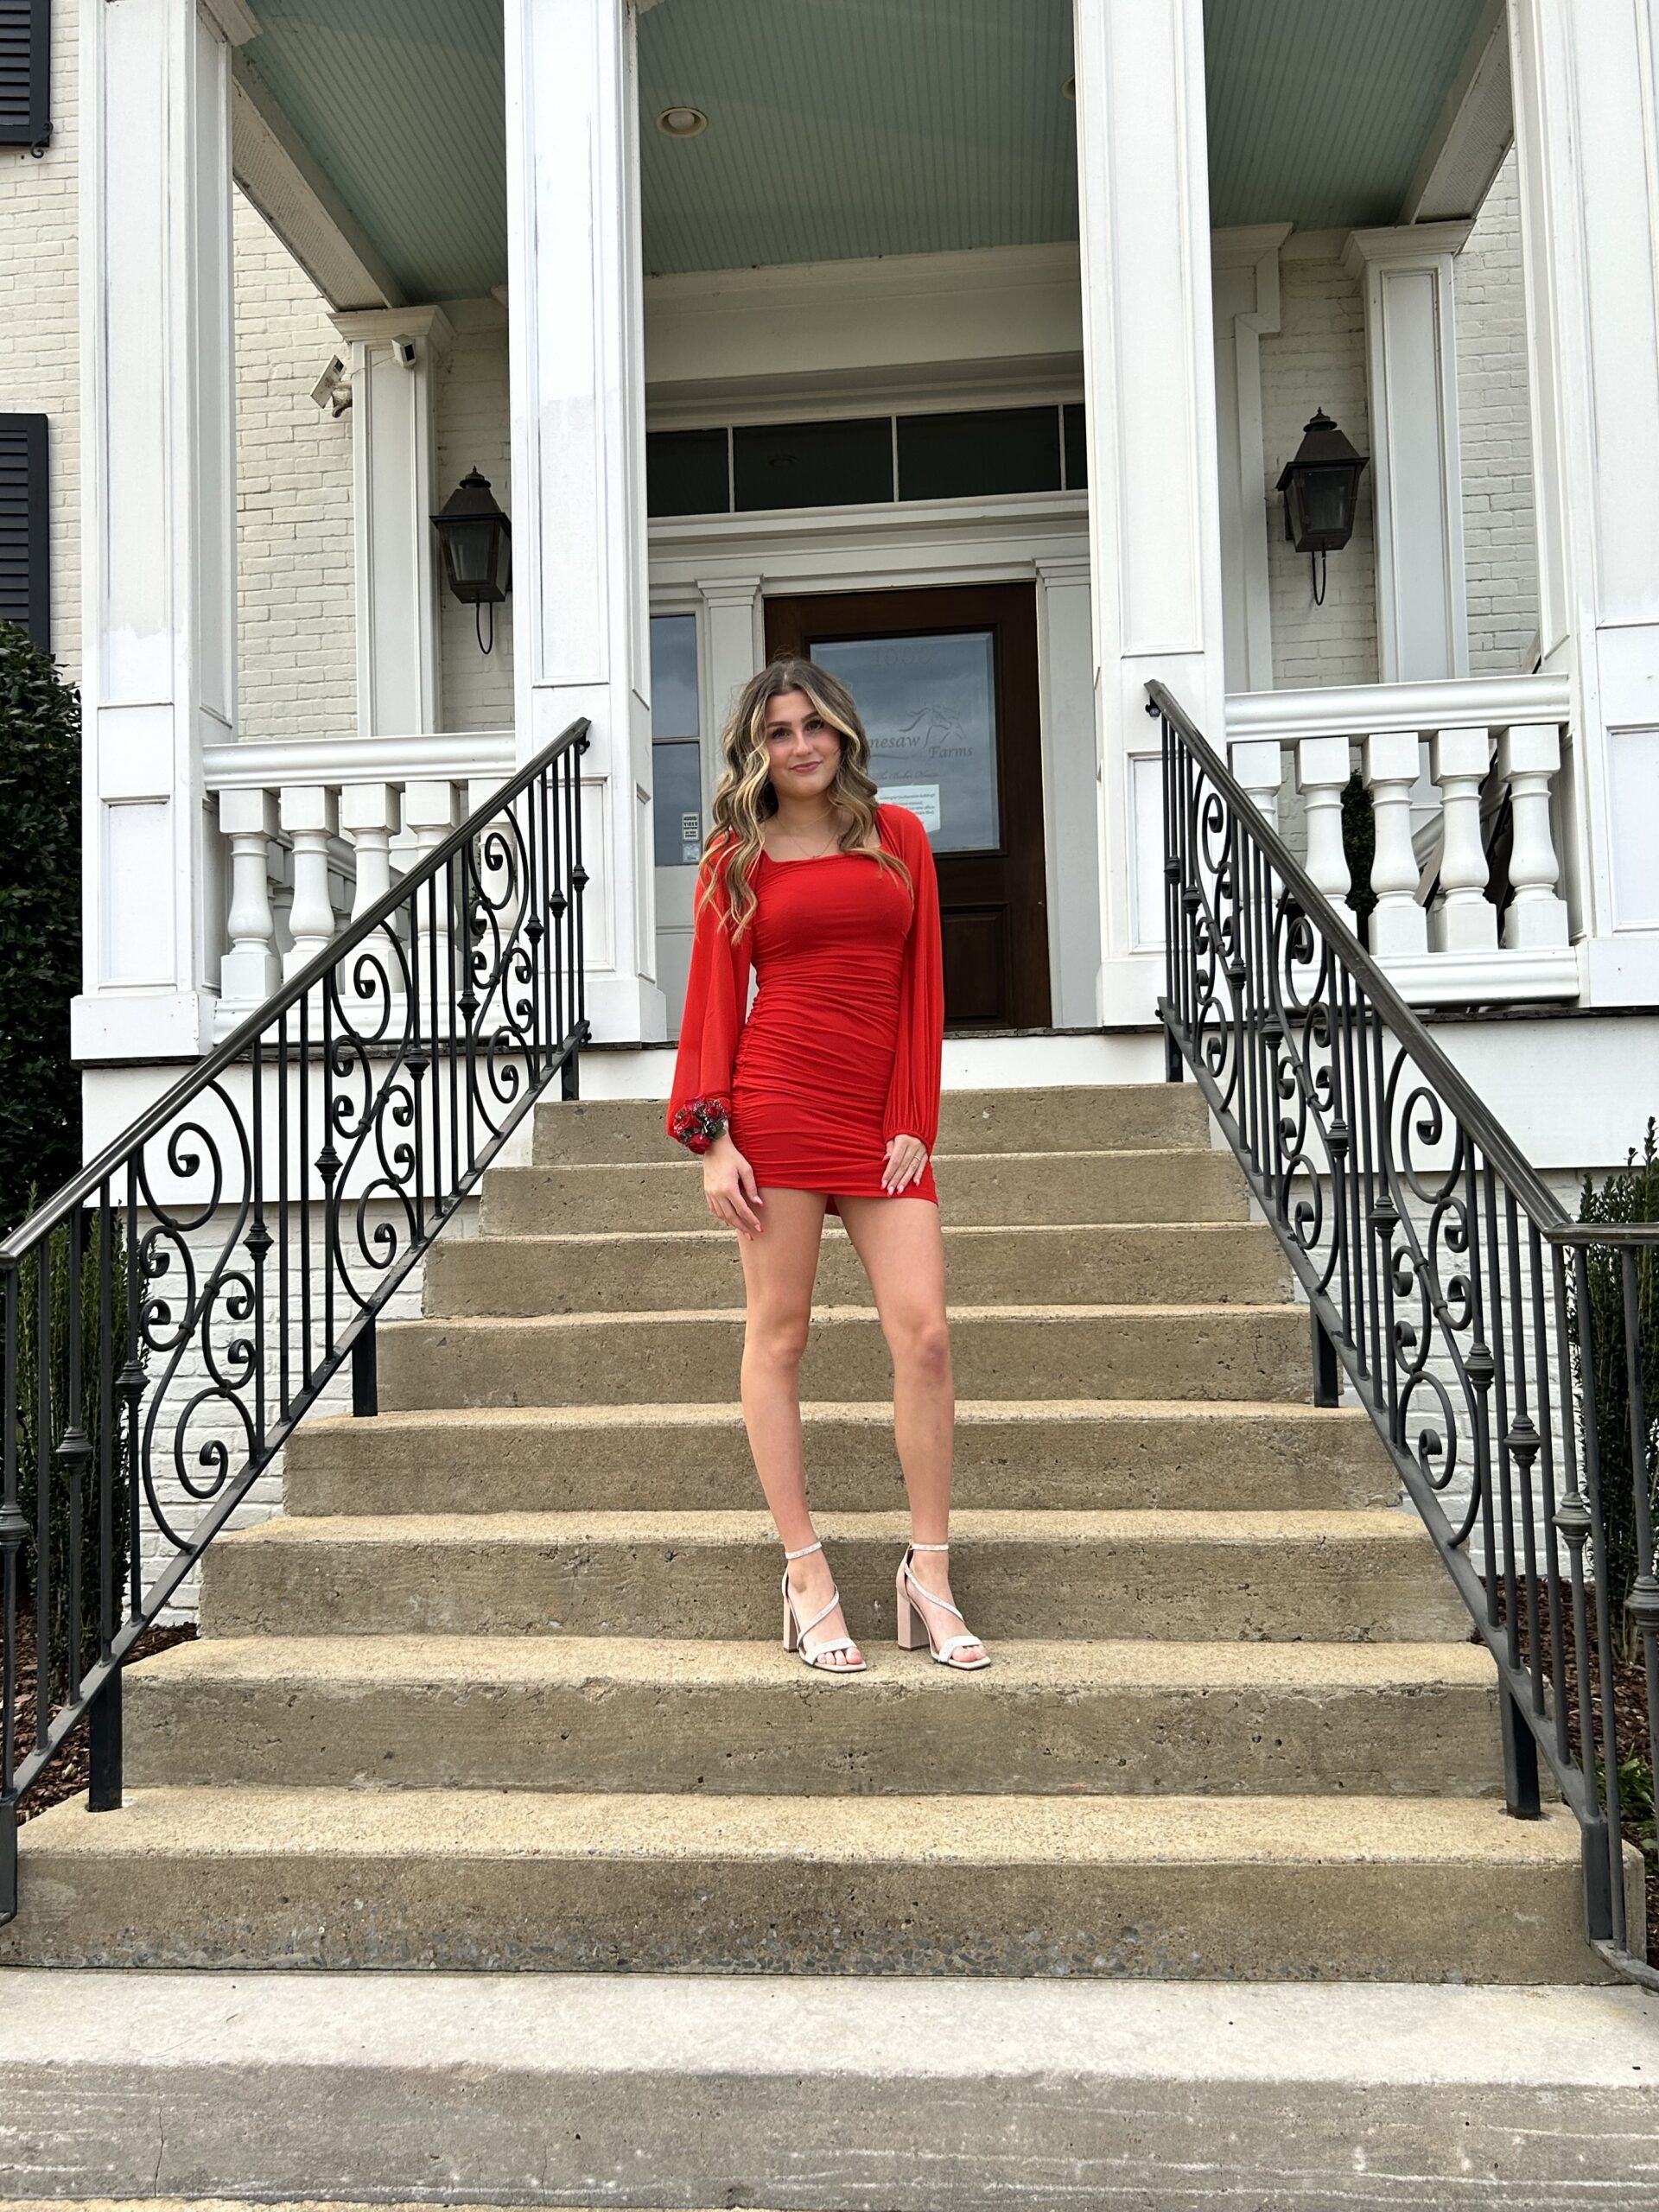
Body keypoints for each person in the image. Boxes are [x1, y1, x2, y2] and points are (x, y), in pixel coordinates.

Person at [664, 657, 989, 1677]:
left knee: (925, 1335)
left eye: (814, 726)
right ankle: (806, 1574)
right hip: (777, 1111)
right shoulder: (736, 858)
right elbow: (713, 1000)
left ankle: (929, 1570)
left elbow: (922, 985)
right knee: (781, 1334)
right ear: (755, 751)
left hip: (879, 1125)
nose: (800, 745)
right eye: (778, 732)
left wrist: (914, 1118)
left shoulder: (899, 838)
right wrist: (714, 1139)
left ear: (843, 733)